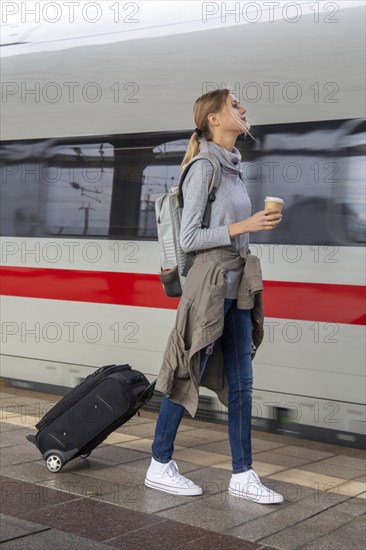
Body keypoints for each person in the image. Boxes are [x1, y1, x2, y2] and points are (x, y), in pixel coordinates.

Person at [145, 89, 284, 504]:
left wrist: (255, 224)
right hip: (209, 285)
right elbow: (188, 239)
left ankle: (242, 474)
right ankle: (159, 463)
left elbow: (229, 227)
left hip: (237, 284)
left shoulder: (232, 167)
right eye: (234, 105)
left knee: (242, 381)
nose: (243, 110)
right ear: (214, 119)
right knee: (186, 371)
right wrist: (245, 226)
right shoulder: (204, 166)